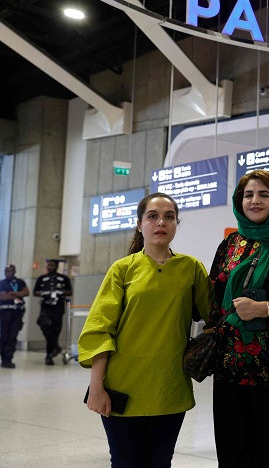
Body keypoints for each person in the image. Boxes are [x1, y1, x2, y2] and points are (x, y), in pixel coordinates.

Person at [78, 193, 212, 467]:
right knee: (125, 462)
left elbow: (214, 316)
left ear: (176, 224)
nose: (161, 222)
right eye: (152, 216)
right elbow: (100, 329)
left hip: (169, 388)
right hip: (122, 387)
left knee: (160, 462)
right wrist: (96, 386)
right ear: (140, 225)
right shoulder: (123, 269)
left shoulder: (191, 269)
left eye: (169, 217)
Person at [208, 170, 269, 467]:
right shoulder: (230, 245)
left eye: (264, 194)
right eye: (248, 195)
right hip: (229, 366)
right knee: (231, 450)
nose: (255, 200)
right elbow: (214, 298)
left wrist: (265, 308)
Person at [32, 259, 72, 365]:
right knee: (44, 324)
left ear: (56, 266)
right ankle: (55, 347)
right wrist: (44, 293)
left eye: (52, 265)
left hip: (58, 308)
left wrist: (60, 292)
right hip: (46, 307)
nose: (49, 267)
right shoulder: (42, 278)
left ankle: (49, 356)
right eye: (48, 265)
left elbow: (70, 292)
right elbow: (34, 292)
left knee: (55, 331)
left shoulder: (64, 278)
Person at [0, 264, 29, 369]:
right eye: (6, 271)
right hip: (5, 313)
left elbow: (26, 292)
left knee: (12, 337)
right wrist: (18, 294)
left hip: (17, 313)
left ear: (14, 271)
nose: (8, 273)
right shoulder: (2, 283)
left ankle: (8, 359)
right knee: (4, 337)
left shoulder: (20, 282)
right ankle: (4, 358)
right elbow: (3, 297)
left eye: (10, 271)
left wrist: (13, 293)